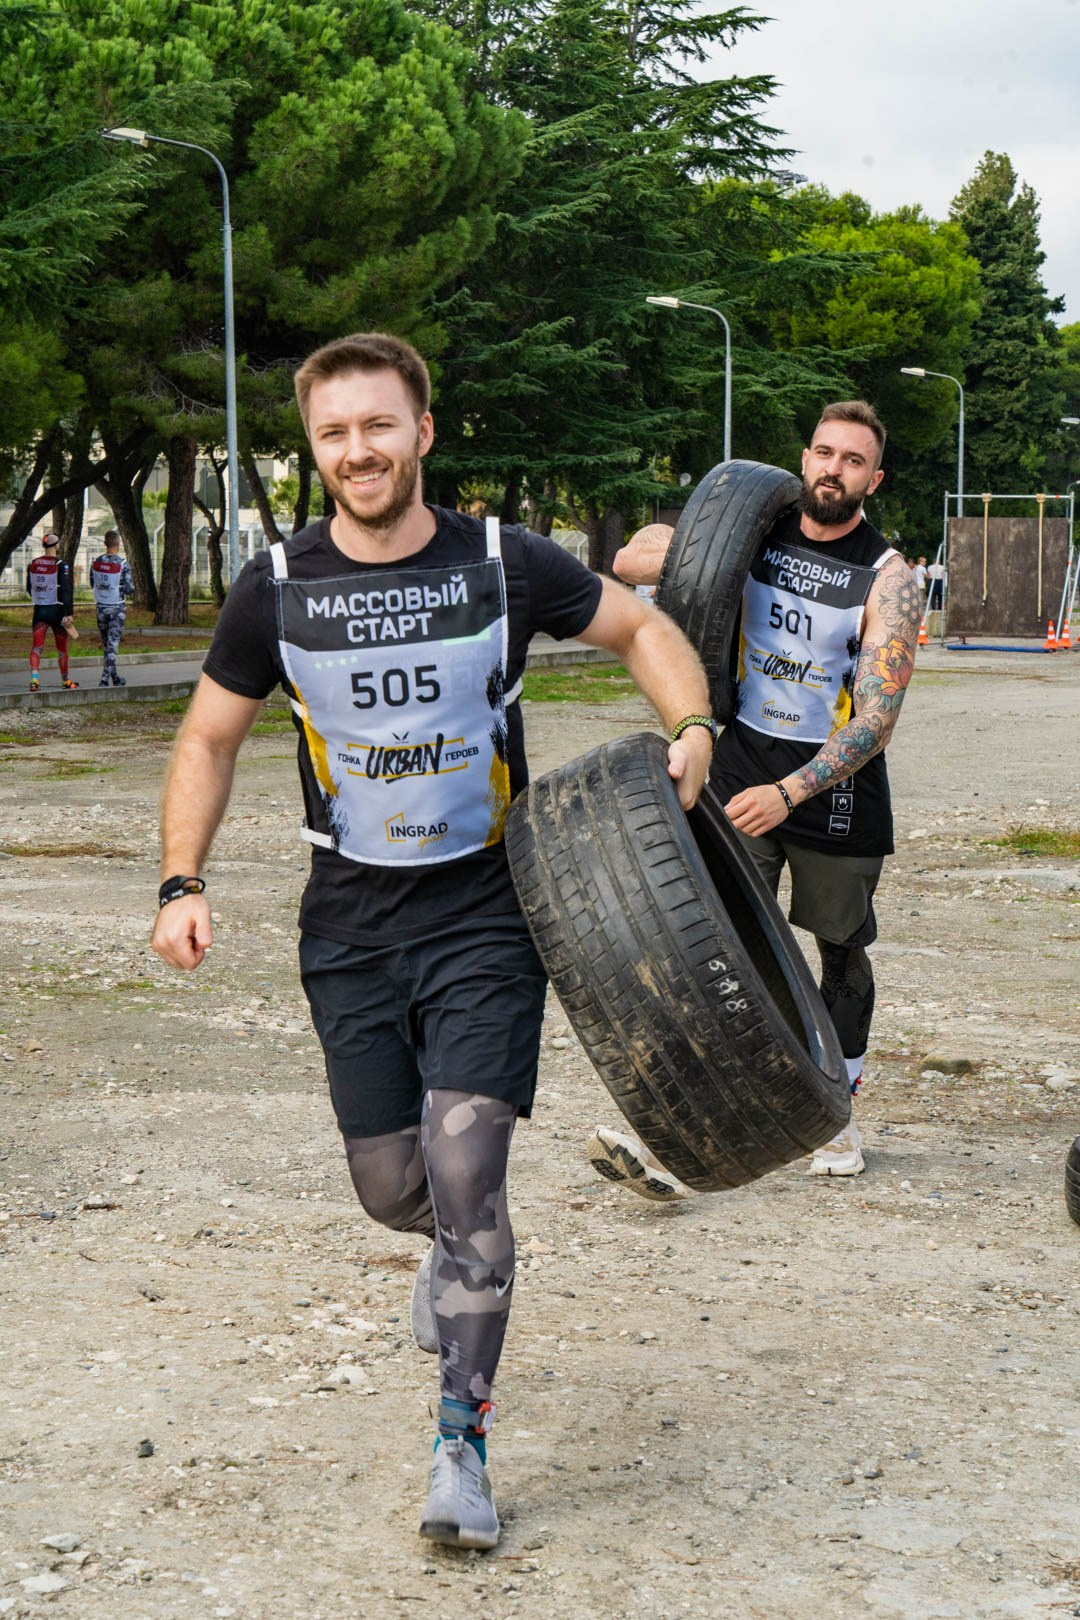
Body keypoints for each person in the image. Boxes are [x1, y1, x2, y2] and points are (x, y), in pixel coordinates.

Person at [150, 332, 714, 1551]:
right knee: (390, 1188)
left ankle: (461, 1441)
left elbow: (638, 629)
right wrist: (180, 880)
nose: (359, 452)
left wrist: (693, 722)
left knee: (468, 1178)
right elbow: (207, 739)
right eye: (334, 434)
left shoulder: (504, 563)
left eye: (379, 426)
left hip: (485, 914)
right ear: (317, 449)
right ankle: (454, 1253)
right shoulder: (275, 587)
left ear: (422, 432)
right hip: (348, 925)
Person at [587, 401, 920, 1193]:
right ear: (804, 459)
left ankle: (837, 1119)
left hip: (833, 788)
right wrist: (693, 546)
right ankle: (688, 1129)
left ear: (875, 478)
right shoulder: (750, 538)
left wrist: (791, 791)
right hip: (737, 769)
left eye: (852, 460)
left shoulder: (888, 577)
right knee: (715, 946)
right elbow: (634, 561)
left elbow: (878, 717)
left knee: (839, 952)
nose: (832, 470)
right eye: (823, 453)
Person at [27, 532, 78, 691]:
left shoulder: (33, 563)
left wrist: (41, 598)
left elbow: (29, 588)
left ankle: (34, 680)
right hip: (57, 611)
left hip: (40, 610)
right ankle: (66, 681)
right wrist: (69, 612)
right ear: (56, 545)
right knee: (62, 649)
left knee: (37, 647)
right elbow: (65, 590)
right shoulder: (61, 564)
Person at [90, 530, 135, 686]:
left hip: (101, 608)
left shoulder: (96, 562)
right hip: (116, 608)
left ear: (105, 543)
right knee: (113, 644)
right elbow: (129, 588)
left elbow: (92, 583)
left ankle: (115, 677)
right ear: (118, 544)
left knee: (106, 645)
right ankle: (104, 679)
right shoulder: (122, 564)